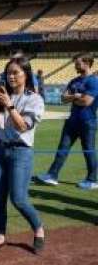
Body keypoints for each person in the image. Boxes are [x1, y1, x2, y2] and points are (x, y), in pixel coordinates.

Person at [0, 56, 46, 254]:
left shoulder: (34, 99)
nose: (10, 76)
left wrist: (9, 105)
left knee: (19, 198)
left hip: (21, 151)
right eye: (8, 72)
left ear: (26, 74)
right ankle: (0, 236)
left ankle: (38, 228)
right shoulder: (3, 95)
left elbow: (23, 126)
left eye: (15, 72)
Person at [36, 55, 98, 190]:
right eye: (75, 63)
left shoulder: (93, 81)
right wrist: (75, 97)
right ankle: (52, 175)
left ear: (87, 64)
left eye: (78, 63)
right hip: (72, 121)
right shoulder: (74, 81)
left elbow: (87, 101)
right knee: (62, 149)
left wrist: (73, 97)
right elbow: (62, 99)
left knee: (88, 151)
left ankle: (92, 180)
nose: (75, 66)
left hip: (87, 122)